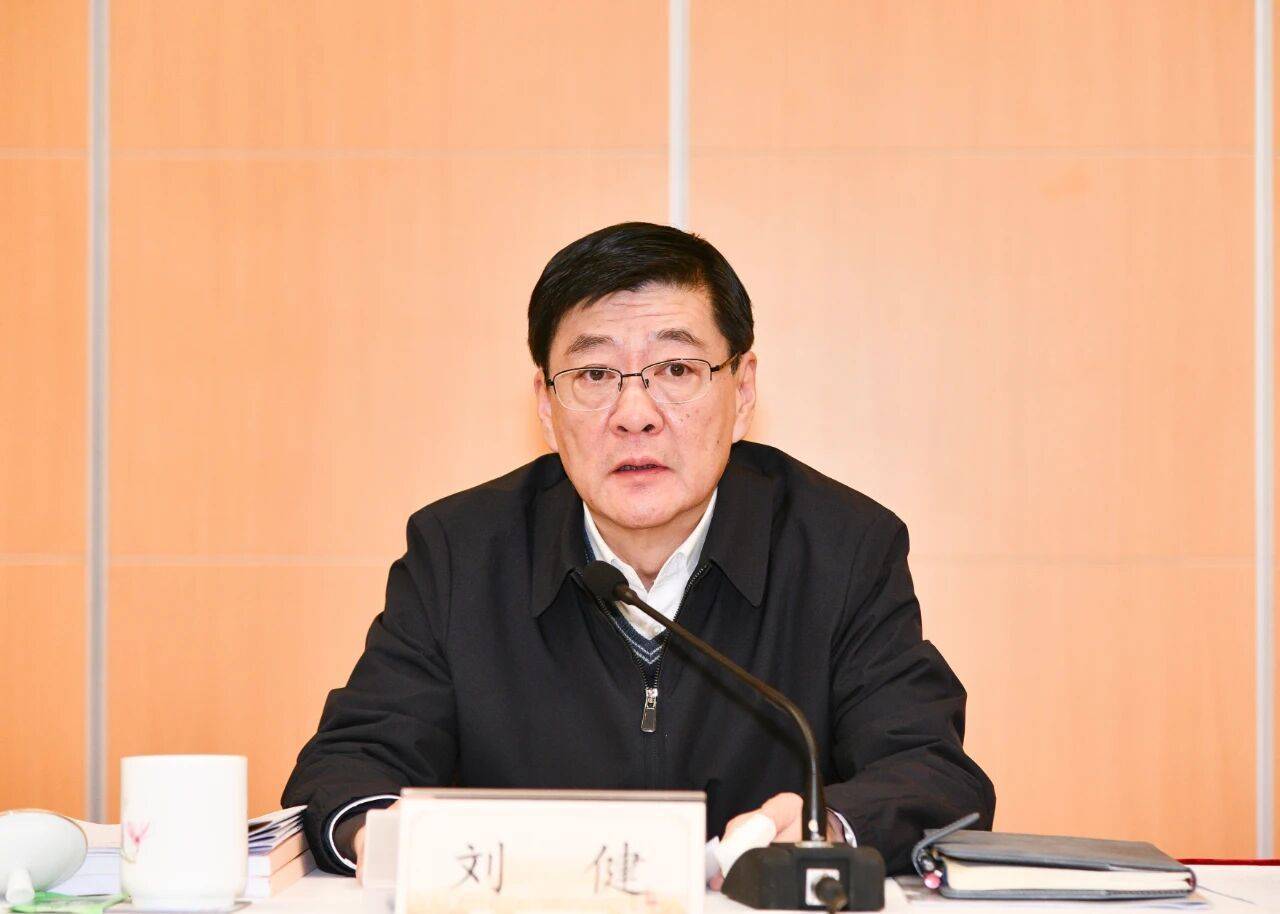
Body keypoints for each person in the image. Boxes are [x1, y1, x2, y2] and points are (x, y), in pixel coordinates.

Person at [282, 221, 996, 880]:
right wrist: (381, 836)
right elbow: (349, 765)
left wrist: (824, 827)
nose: (634, 415)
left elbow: (930, 772)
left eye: (677, 370)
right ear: (546, 405)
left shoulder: (841, 549)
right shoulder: (459, 554)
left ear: (742, 390)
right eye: (594, 376)